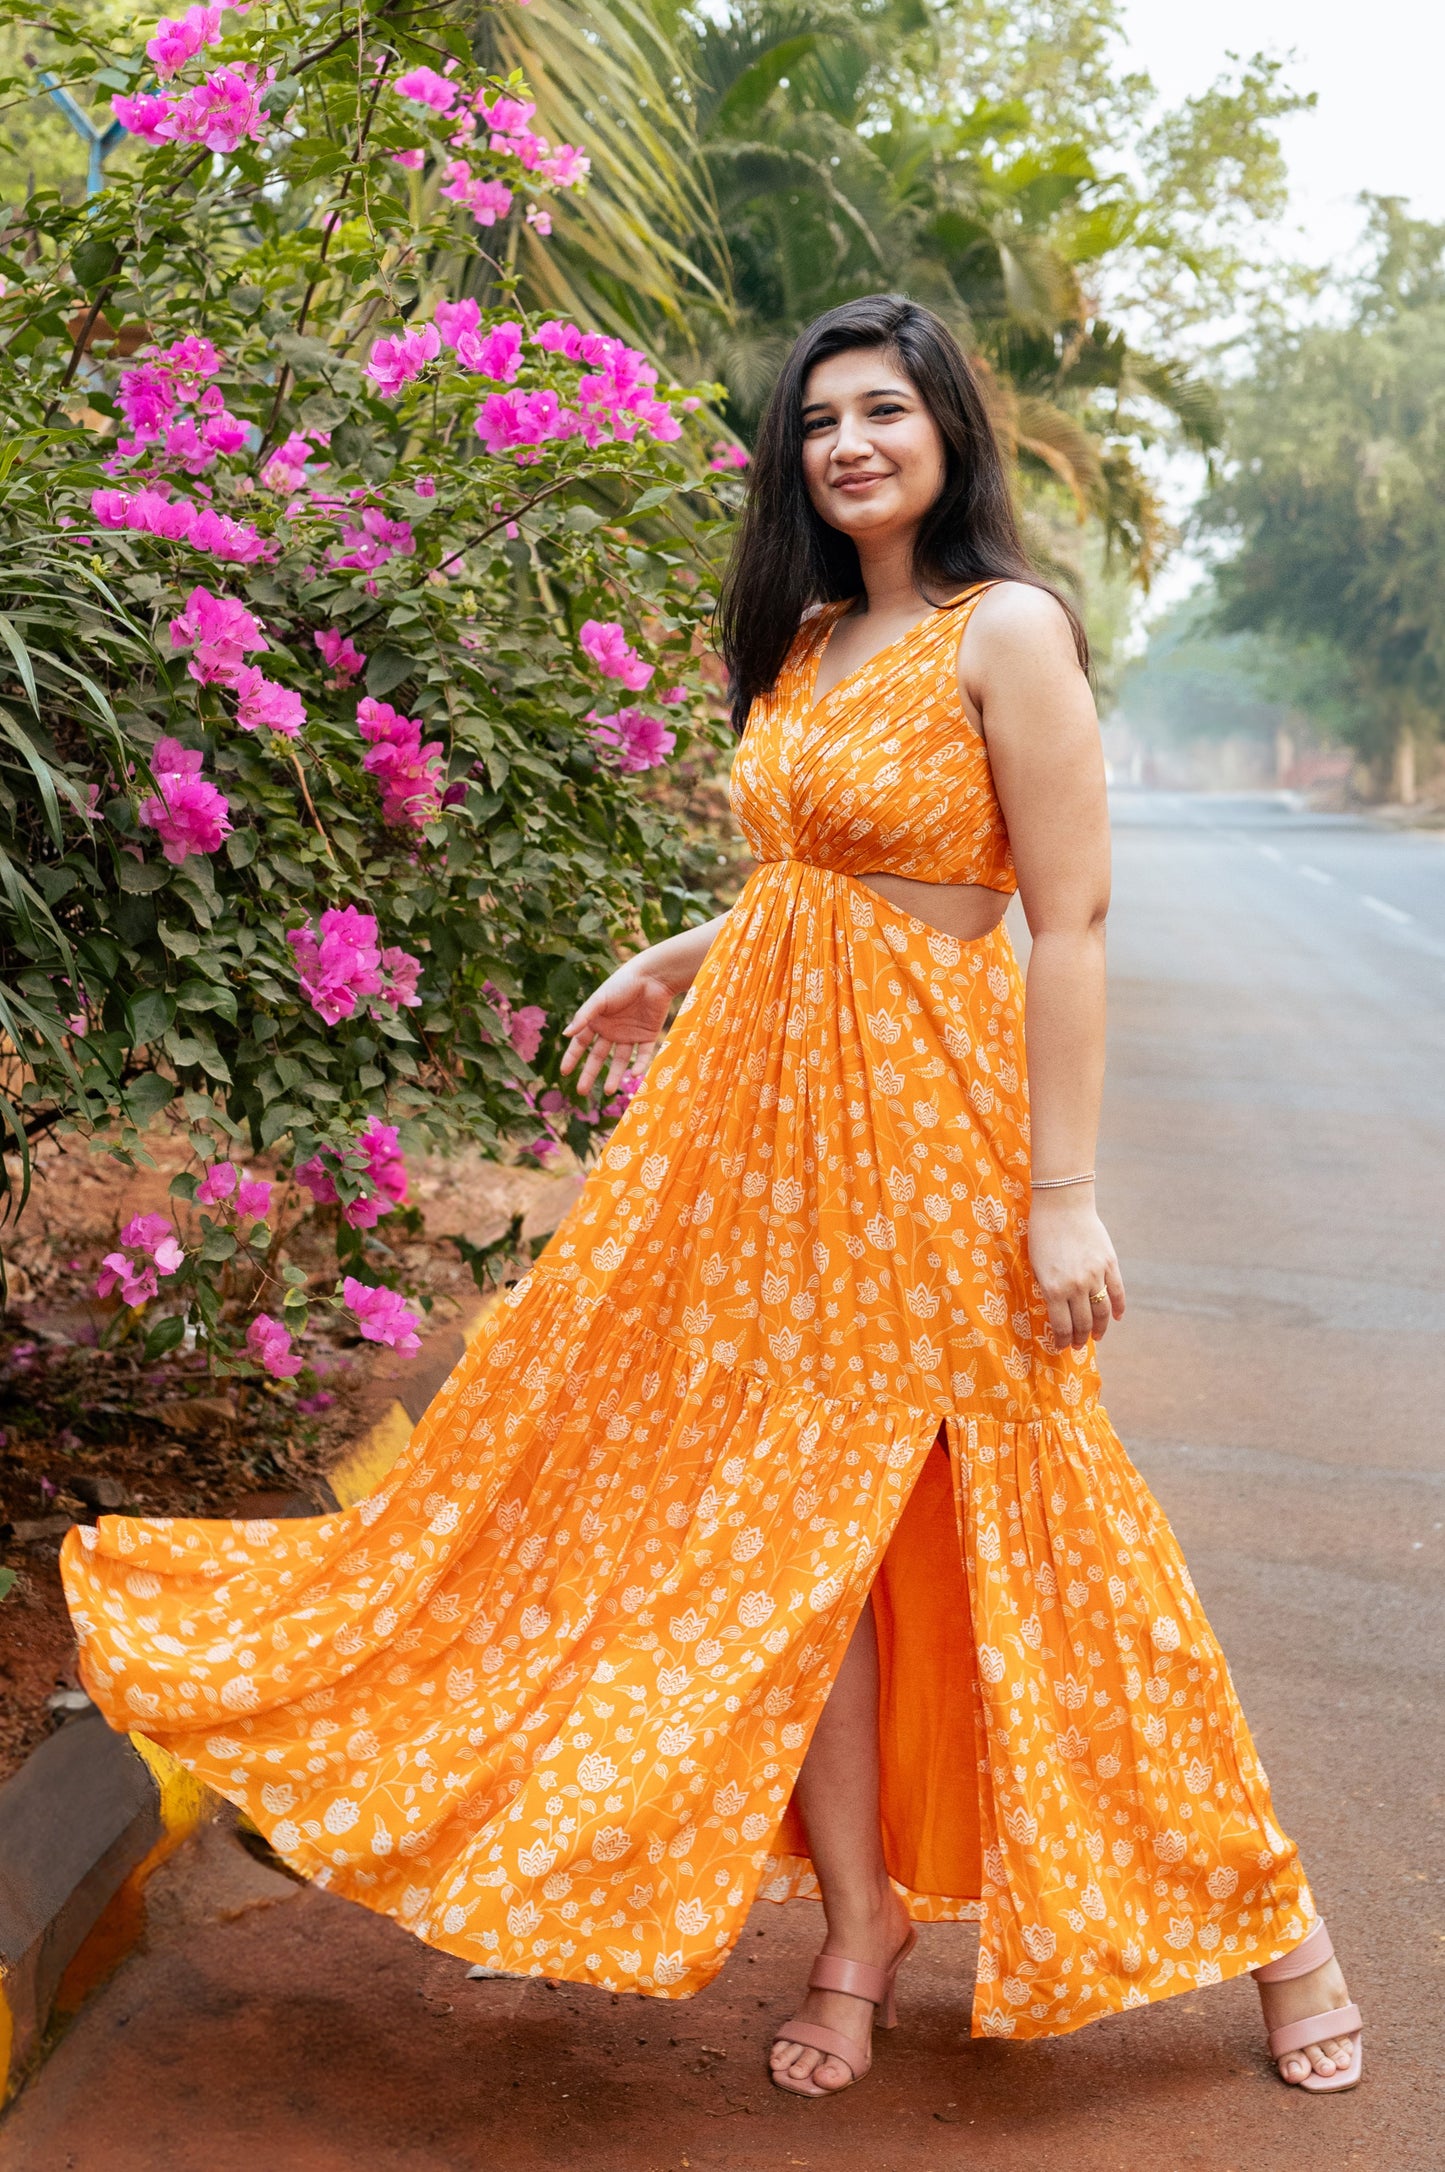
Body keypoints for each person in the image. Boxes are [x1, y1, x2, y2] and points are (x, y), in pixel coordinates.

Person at [61, 293, 1362, 2105]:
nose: (848, 445)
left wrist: (1061, 1196)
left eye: (882, 410)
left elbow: (1058, 919)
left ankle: (1272, 1920)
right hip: (758, 1149)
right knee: (779, 1538)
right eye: (818, 420)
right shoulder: (815, 637)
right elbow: (821, 882)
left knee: (1047, 1528)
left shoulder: (1006, 629)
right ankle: (856, 1932)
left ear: (948, 429)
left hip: (929, 1142)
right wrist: (679, 959)